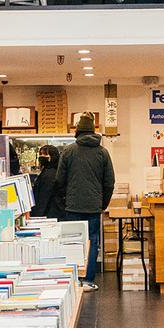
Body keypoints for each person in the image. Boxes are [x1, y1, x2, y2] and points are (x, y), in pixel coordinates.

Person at [54, 113, 115, 289]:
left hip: (72, 206)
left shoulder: (68, 151)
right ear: (94, 131)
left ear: (77, 131)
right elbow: (109, 182)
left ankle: (74, 280)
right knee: (93, 241)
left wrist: (66, 199)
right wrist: (102, 203)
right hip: (93, 206)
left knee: (73, 242)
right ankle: (88, 280)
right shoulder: (103, 153)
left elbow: (59, 180)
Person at [31, 143, 63, 219]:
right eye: (41, 155)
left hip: (50, 213)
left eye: (45, 155)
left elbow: (44, 197)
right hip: (53, 212)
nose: (42, 157)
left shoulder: (50, 174)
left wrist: (37, 215)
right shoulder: (51, 171)